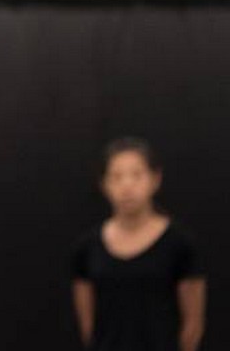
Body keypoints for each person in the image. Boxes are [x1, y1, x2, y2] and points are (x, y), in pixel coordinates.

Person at [72, 138, 206, 351]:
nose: (127, 186)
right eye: (116, 177)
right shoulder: (87, 247)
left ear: (155, 179)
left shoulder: (179, 244)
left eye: (136, 175)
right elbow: (88, 325)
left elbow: (193, 324)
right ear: (104, 184)